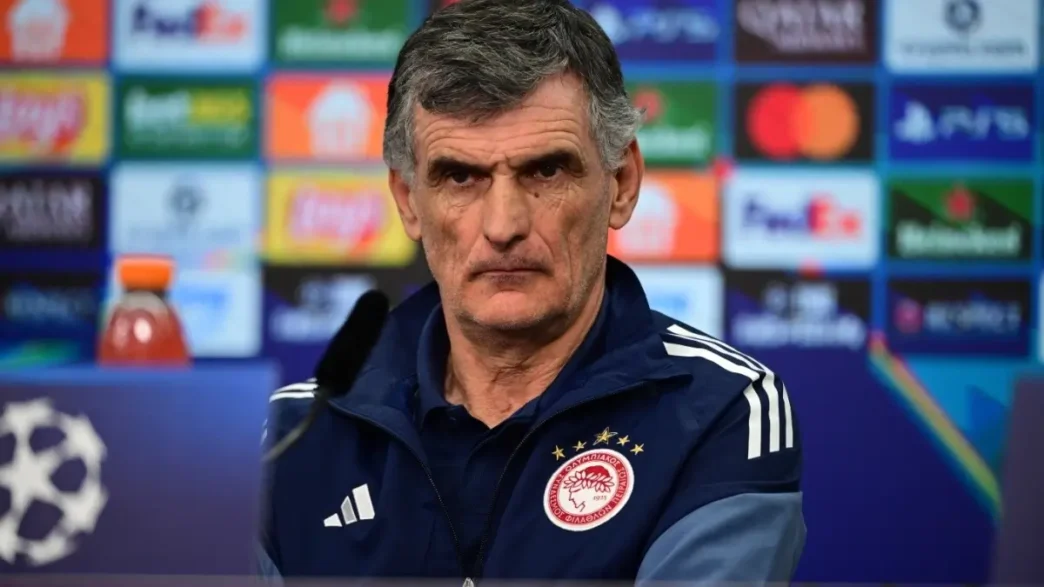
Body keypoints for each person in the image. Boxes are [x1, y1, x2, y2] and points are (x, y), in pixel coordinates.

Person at [258, 0, 806, 584]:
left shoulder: (721, 409)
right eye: (460, 176)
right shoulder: (294, 434)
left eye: (545, 171)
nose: (503, 226)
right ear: (408, 200)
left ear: (622, 184)